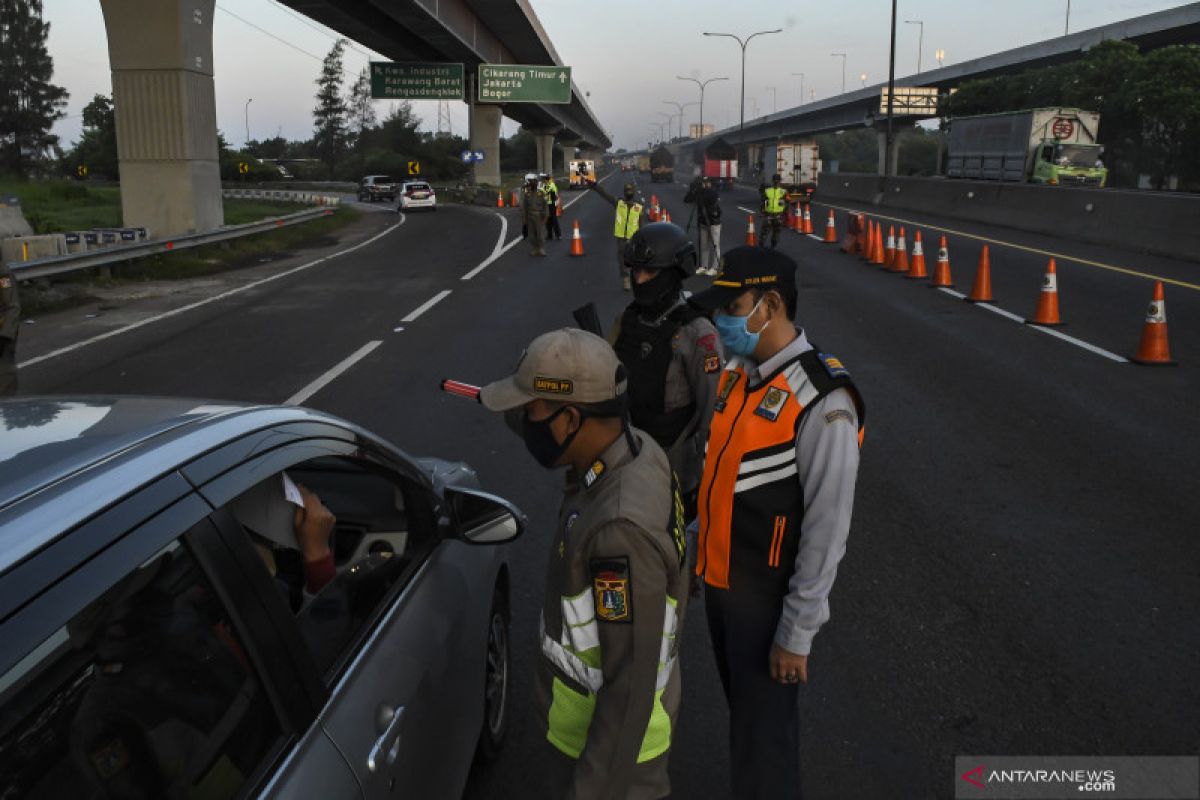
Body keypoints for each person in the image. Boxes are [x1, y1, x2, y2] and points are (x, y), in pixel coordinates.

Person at [477, 328, 689, 800]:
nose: (525, 423)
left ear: (571, 419)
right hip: (605, 743)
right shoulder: (638, 450)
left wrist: (592, 791)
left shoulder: (618, 530)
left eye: (530, 412)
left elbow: (630, 686)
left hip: (613, 761)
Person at [687, 247, 865, 799]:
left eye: (731, 306)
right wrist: (693, 550)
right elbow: (717, 477)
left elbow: (826, 531)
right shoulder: (740, 378)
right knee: (747, 726)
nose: (720, 320)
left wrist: (797, 633)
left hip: (767, 607)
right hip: (723, 593)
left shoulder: (823, 399)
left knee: (764, 751)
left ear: (769, 306)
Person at [613, 221, 723, 522]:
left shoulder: (697, 334)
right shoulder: (627, 320)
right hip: (624, 459)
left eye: (649, 272)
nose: (640, 279)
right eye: (636, 271)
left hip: (673, 469)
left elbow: (712, 415)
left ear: (674, 273)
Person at [591, 181, 645, 291]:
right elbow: (605, 194)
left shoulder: (639, 207)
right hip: (621, 238)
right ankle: (626, 279)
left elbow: (641, 224)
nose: (629, 193)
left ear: (632, 193)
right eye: (628, 191)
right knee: (622, 259)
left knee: (635, 259)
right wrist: (595, 186)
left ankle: (635, 276)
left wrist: (641, 238)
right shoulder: (619, 203)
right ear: (625, 193)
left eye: (630, 191)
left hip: (633, 238)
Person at [683, 175, 722, 275]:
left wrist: (701, 190)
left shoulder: (712, 191)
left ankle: (715, 268)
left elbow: (711, 197)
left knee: (715, 245)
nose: (705, 184)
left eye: (706, 183)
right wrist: (692, 190)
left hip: (713, 222)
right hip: (703, 222)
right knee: (703, 245)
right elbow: (687, 200)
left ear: (710, 183)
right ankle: (703, 266)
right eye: (703, 183)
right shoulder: (700, 192)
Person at [0, 262, 19, 396]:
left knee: (5, 381)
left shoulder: (2, 273)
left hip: (2, 337)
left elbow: (13, 306)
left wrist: (5, 336)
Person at [522, 173, 548, 257]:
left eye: (534, 181)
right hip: (529, 216)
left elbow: (545, 205)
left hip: (539, 216)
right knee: (531, 235)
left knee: (540, 234)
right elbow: (525, 207)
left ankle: (540, 249)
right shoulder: (527, 194)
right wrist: (524, 219)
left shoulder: (541, 193)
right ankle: (534, 249)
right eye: (531, 182)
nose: (533, 183)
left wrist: (546, 216)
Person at [760, 173, 788, 250]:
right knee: (772, 233)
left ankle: (768, 247)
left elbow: (763, 202)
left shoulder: (782, 192)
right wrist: (785, 214)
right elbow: (763, 202)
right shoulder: (782, 191)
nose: (776, 182)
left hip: (774, 216)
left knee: (770, 233)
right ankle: (769, 247)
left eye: (777, 180)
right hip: (773, 216)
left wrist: (762, 212)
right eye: (775, 180)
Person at [542, 172, 563, 241]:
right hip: (547, 204)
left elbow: (546, 191)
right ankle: (549, 235)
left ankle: (558, 235)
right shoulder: (546, 184)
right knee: (548, 220)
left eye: (544, 179)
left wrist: (540, 191)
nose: (543, 180)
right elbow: (541, 191)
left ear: (546, 179)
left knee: (554, 219)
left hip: (552, 204)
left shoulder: (551, 184)